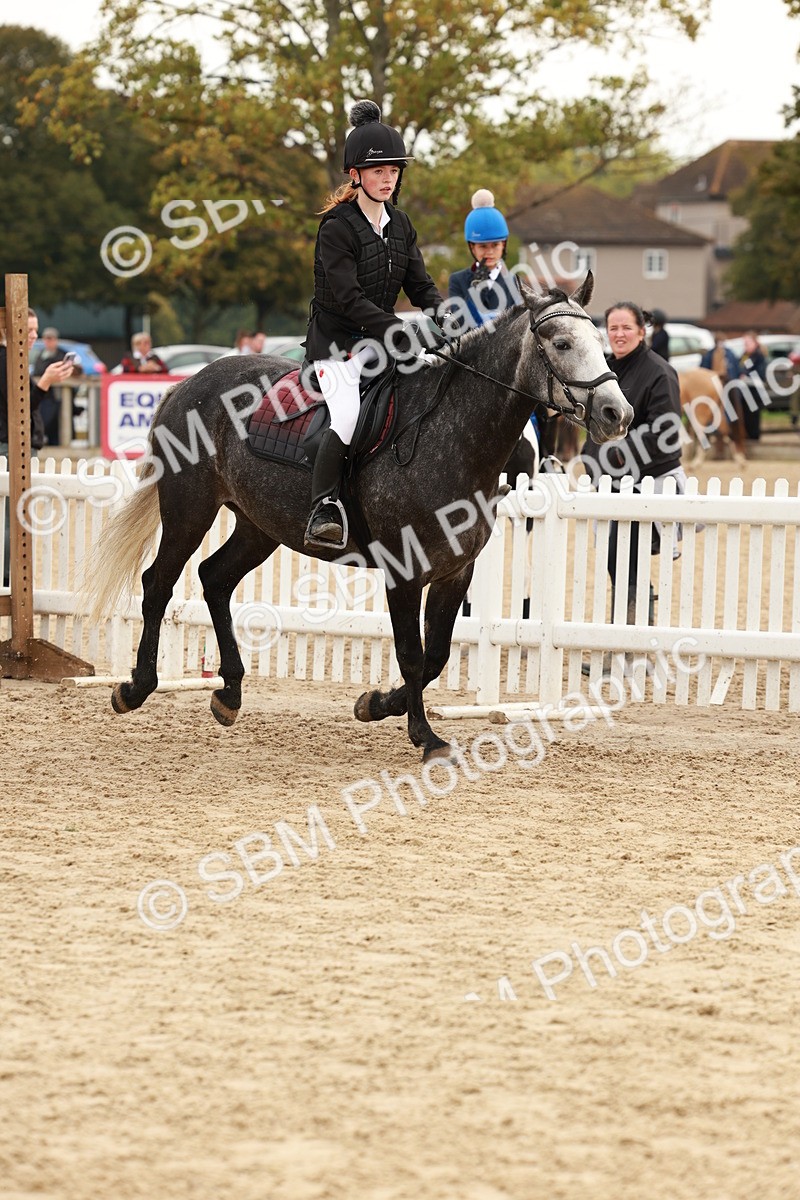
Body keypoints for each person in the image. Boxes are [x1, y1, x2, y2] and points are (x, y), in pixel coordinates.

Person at [303, 99, 445, 548]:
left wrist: (445, 315)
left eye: (394, 171)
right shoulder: (336, 228)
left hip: (383, 344)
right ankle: (324, 506)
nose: (388, 179)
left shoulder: (401, 225)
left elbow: (420, 285)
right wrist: (397, 328)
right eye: (378, 171)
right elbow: (348, 299)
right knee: (347, 416)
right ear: (355, 174)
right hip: (335, 347)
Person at [581, 301, 683, 656]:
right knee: (619, 560)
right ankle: (633, 639)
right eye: (613, 328)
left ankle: (630, 643)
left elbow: (666, 431)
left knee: (624, 558)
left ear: (642, 331)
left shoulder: (660, 372)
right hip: (614, 483)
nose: (619, 334)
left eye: (626, 327)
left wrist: (618, 454)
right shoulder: (604, 369)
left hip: (649, 482)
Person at [33, 326, 73, 446]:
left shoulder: (61, 354)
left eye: (51, 338)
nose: (48, 341)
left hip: (57, 396)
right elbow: (37, 371)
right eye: (46, 338)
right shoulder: (41, 355)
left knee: (58, 425)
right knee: (45, 422)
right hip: (44, 396)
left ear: (56, 340)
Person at [734, 330, 768, 441]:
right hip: (744, 394)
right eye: (744, 343)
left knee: (753, 420)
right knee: (745, 419)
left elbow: (761, 378)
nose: (745, 346)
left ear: (755, 343)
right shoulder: (744, 356)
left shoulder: (759, 357)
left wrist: (745, 379)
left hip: (754, 394)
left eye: (747, 343)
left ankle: (754, 440)